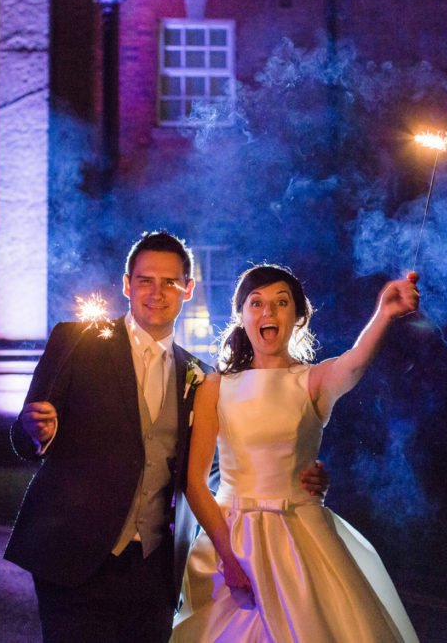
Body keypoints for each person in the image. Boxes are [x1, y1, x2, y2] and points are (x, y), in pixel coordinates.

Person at [3, 232, 328, 643]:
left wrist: (303, 471)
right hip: (75, 560)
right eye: (145, 280)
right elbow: (23, 435)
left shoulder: (198, 375)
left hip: (156, 573)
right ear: (127, 285)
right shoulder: (77, 342)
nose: (157, 292)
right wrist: (36, 433)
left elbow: (234, 457)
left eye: (170, 282)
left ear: (187, 289)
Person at [171, 264, 421, 642]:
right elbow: (194, 482)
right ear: (241, 316)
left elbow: (354, 363)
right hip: (233, 539)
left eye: (281, 303)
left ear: (299, 316)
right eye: (256, 303)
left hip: (300, 538)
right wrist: (228, 557)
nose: (268, 313)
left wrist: (384, 314)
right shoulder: (215, 386)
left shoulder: (313, 380)